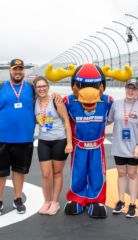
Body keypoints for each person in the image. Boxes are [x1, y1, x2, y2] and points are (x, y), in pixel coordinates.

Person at [0, 59, 35, 215]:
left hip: (24, 137)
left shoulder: (31, 88)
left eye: (20, 69)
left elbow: (42, 100)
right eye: (15, 69)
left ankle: (17, 199)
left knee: (19, 171)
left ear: (24, 71)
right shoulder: (1, 87)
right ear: (10, 71)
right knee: (1, 172)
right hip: (2, 138)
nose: (18, 72)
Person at [33, 76, 73, 215]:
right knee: (45, 175)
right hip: (43, 141)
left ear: (48, 87)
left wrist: (69, 142)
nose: (42, 89)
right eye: (39, 87)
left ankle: (55, 202)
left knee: (57, 172)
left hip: (59, 140)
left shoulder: (56, 100)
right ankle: (47, 201)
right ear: (35, 89)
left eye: (44, 86)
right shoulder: (34, 102)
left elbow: (66, 121)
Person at [108, 79, 138, 218]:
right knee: (121, 173)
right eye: (129, 88)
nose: (130, 91)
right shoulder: (116, 104)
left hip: (133, 146)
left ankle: (132, 204)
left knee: (133, 174)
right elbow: (108, 120)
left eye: (133, 89)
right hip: (118, 146)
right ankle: (121, 201)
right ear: (125, 88)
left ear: (137, 91)